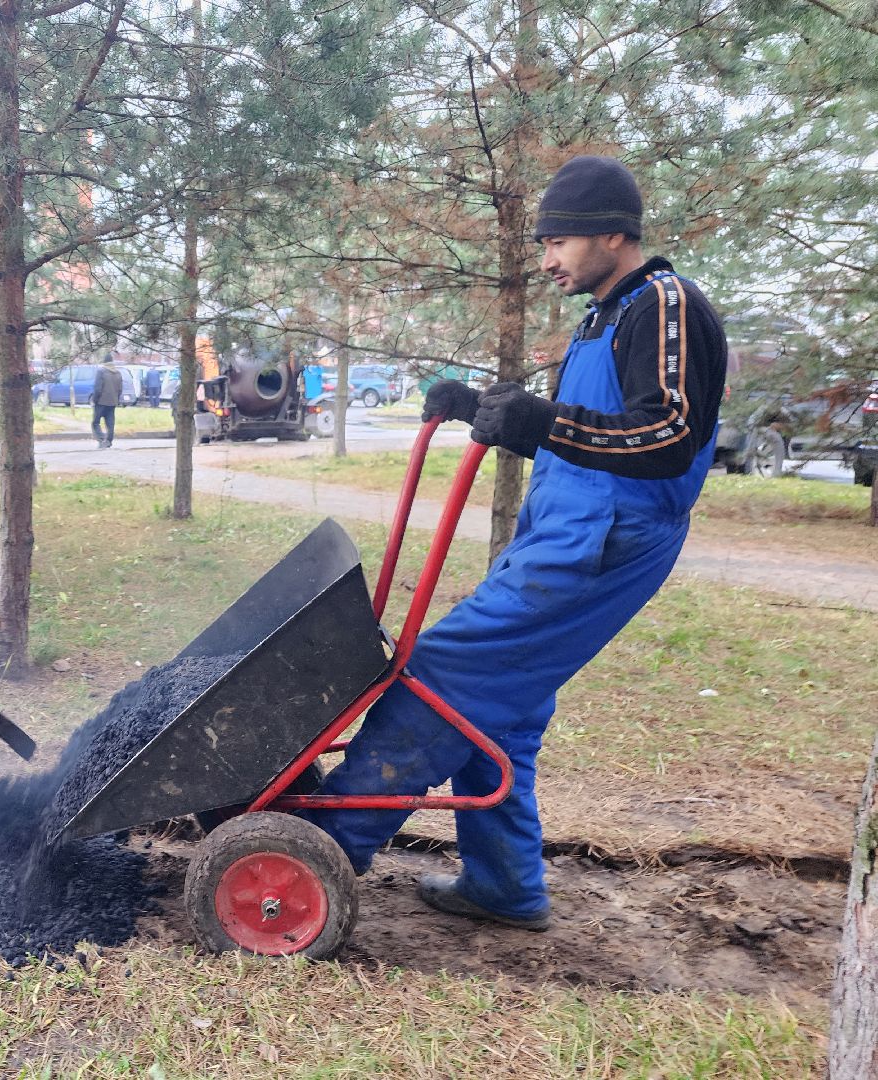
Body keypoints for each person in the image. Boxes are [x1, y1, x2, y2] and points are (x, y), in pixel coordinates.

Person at [305, 155, 728, 931]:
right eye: (542, 245)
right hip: (565, 524)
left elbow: (666, 435)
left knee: (443, 669)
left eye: (559, 242)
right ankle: (505, 884)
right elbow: (584, 438)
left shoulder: (665, 303)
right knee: (504, 712)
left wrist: (538, 421)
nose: (546, 260)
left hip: (609, 537)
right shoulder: (604, 313)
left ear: (613, 233)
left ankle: (330, 842)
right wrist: (480, 408)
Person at [91, 358, 122, 448]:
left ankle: (101, 439)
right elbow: (120, 389)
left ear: (104, 362)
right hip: (112, 402)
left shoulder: (101, 372)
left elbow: (98, 388)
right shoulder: (118, 373)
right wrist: (116, 400)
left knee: (95, 422)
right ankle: (108, 441)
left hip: (101, 402)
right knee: (110, 423)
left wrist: (95, 400)